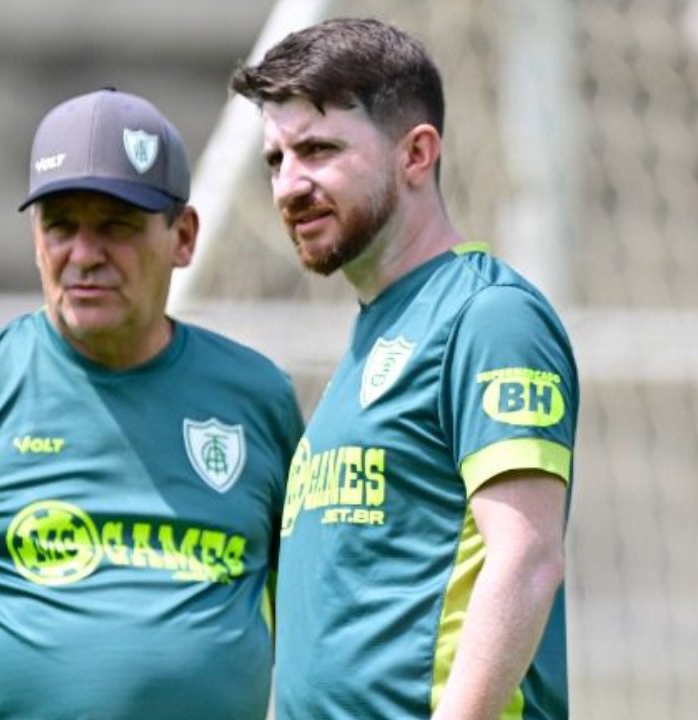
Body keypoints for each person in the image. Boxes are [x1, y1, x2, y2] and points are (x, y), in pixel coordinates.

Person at [0, 88, 303, 719]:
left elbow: (303, 618)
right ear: (34, 237)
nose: (84, 255)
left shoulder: (258, 399)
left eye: (116, 226)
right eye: (60, 226)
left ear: (183, 237)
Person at [230, 17, 578, 720]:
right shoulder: (374, 336)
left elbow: (526, 557)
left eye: (319, 150)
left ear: (416, 154)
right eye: (276, 160)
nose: (289, 186)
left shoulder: (488, 316)